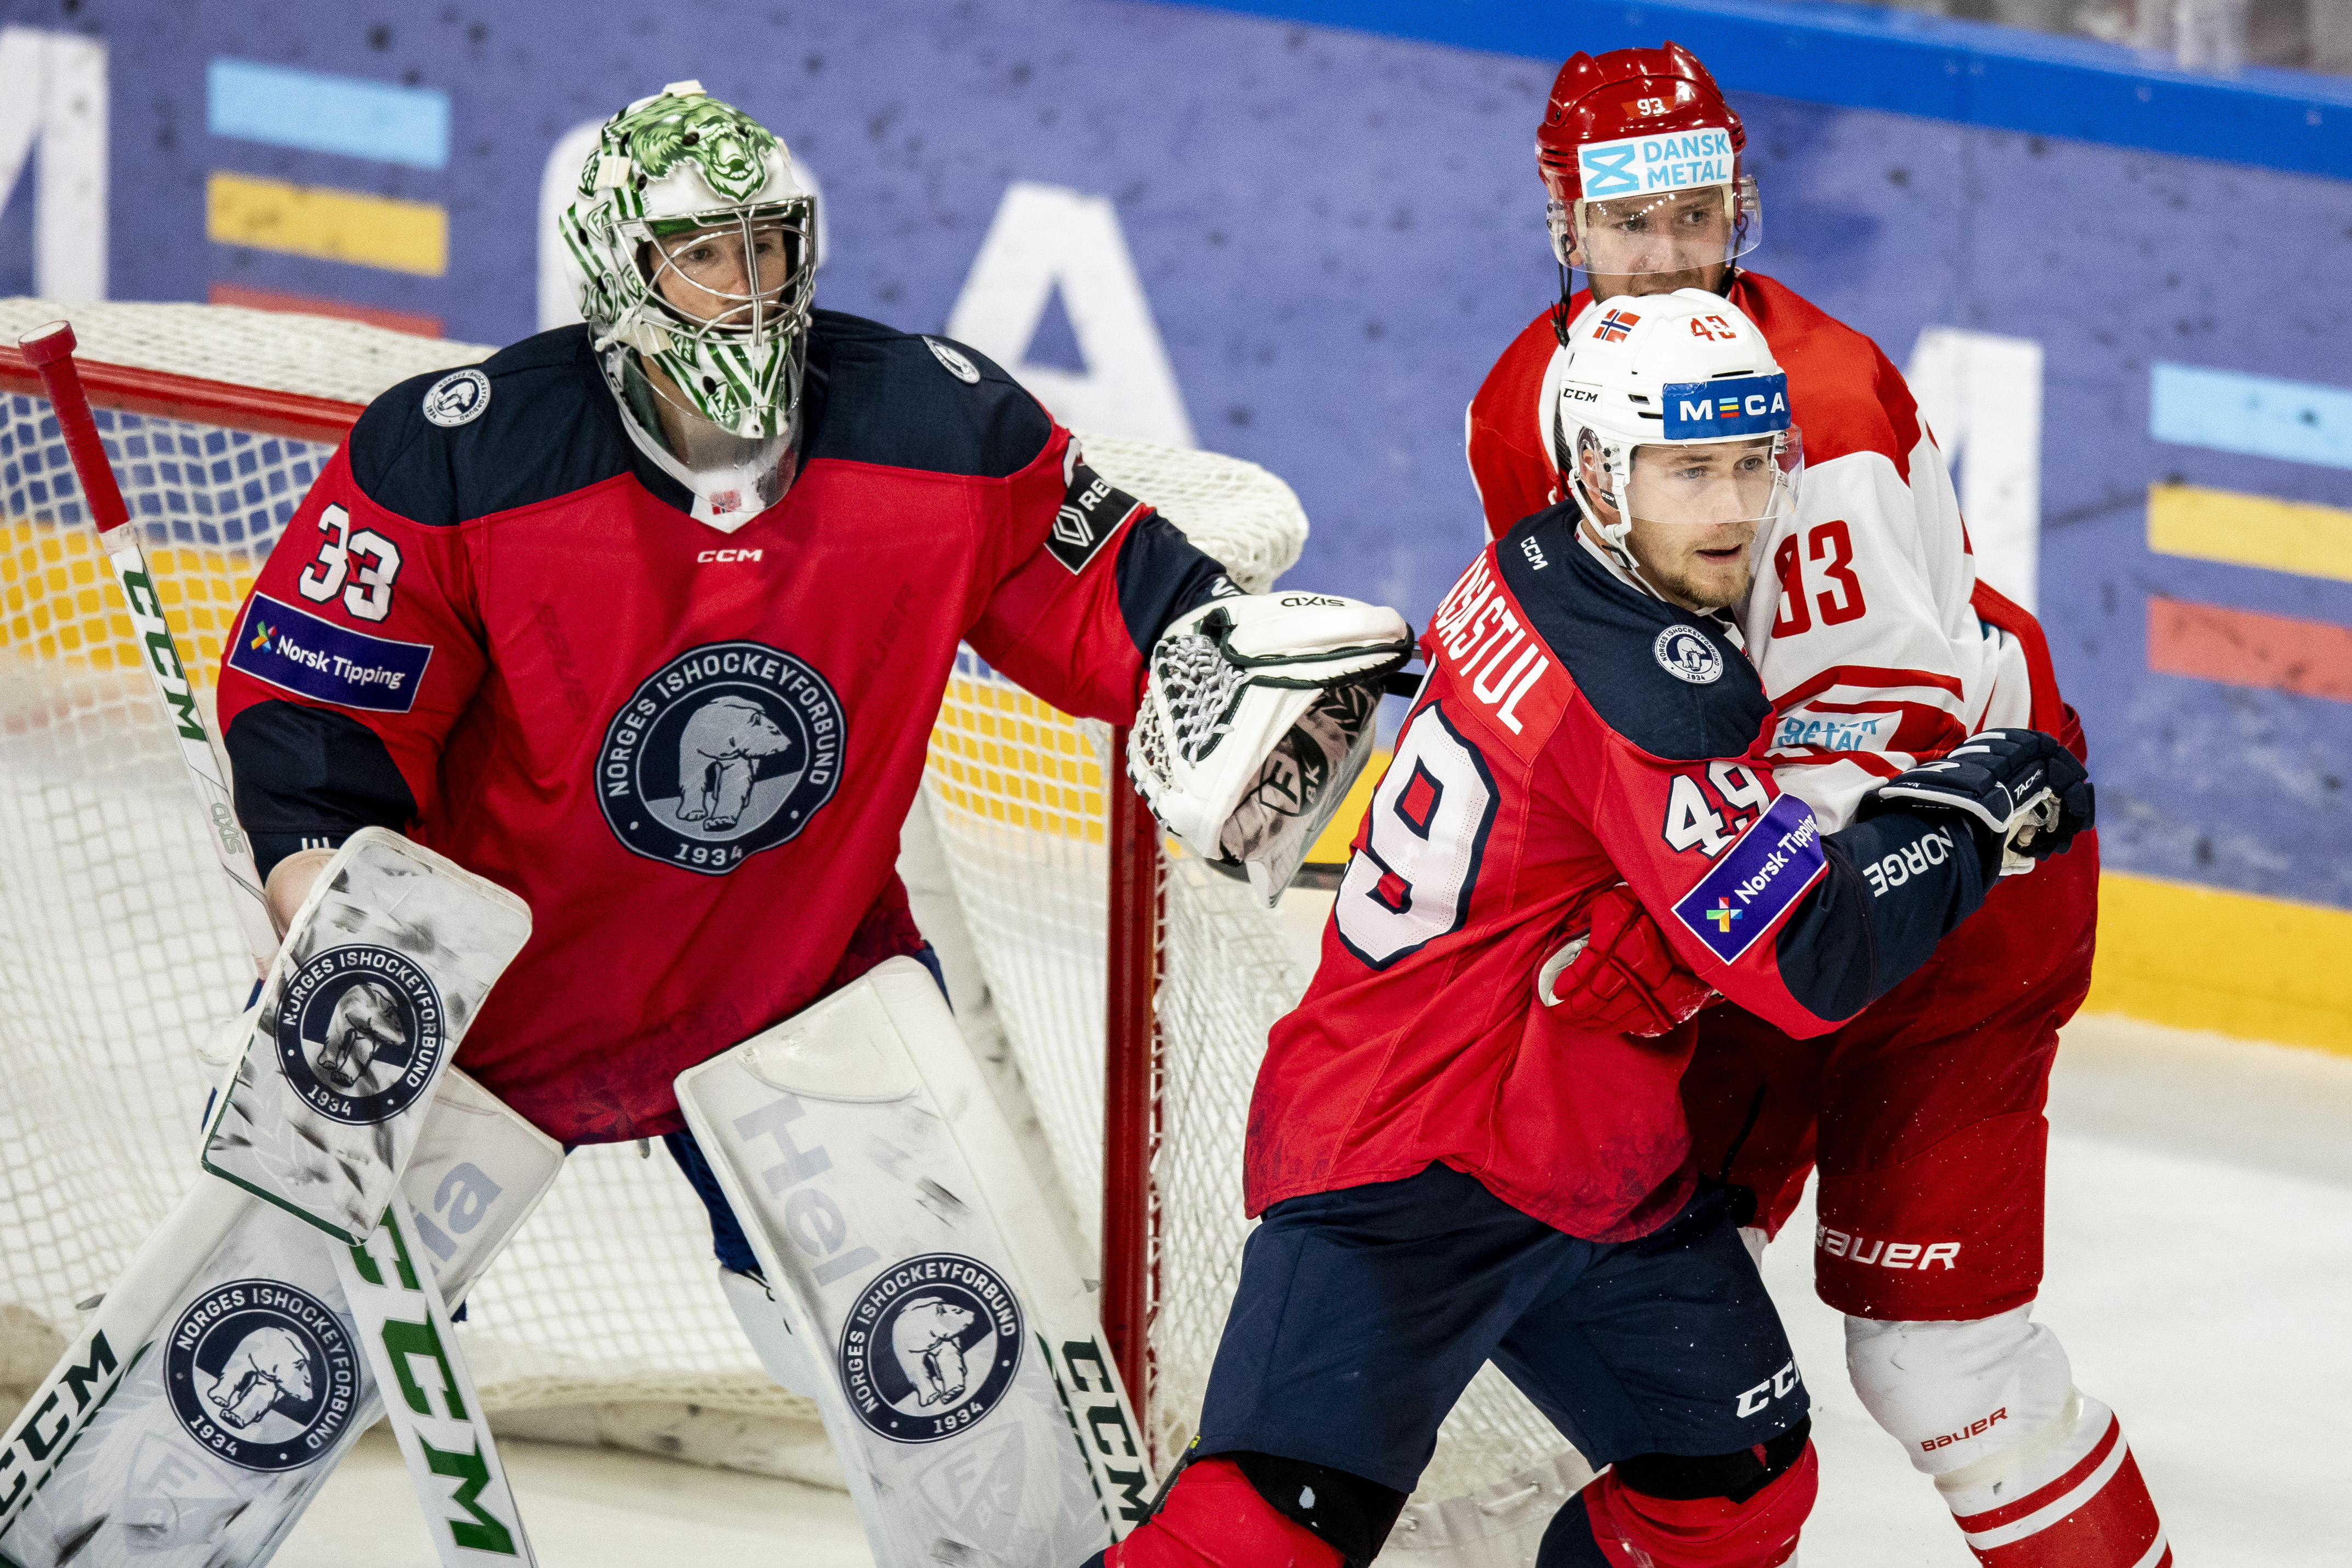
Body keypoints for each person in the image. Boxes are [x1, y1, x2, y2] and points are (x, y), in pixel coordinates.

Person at [213, 77, 1389, 1478]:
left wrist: (1227, 665)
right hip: (477, 998)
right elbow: (318, 712)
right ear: (618, 269)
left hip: (794, 984)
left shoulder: (939, 426)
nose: (749, 286)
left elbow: (1113, 599)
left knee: (955, 1404)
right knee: (239, 1387)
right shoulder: (457, 451)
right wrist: (330, 900)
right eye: (704, 255)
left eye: (769, 245)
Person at [1100, 290, 2093, 1568]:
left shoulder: (1542, 559)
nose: (1734, 509)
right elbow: (1808, 958)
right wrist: (1965, 814)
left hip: (1595, 1161)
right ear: (1597, 473)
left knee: (1730, 1493)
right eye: (1689, 471)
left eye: (1752, 463)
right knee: (1257, 1544)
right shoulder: (1644, 683)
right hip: (1415, 1153)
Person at [1466, 44, 2167, 1568]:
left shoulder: (1820, 411)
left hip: (1949, 885)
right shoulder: (1526, 403)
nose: (1666, 261)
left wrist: (1665, 942)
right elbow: (1595, 697)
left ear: (1742, 204)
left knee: (1937, 1366)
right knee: (1635, 1296)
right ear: (1560, 220)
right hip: (1761, 886)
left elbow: (1881, 762)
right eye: (1629, 223)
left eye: (1696, 217)